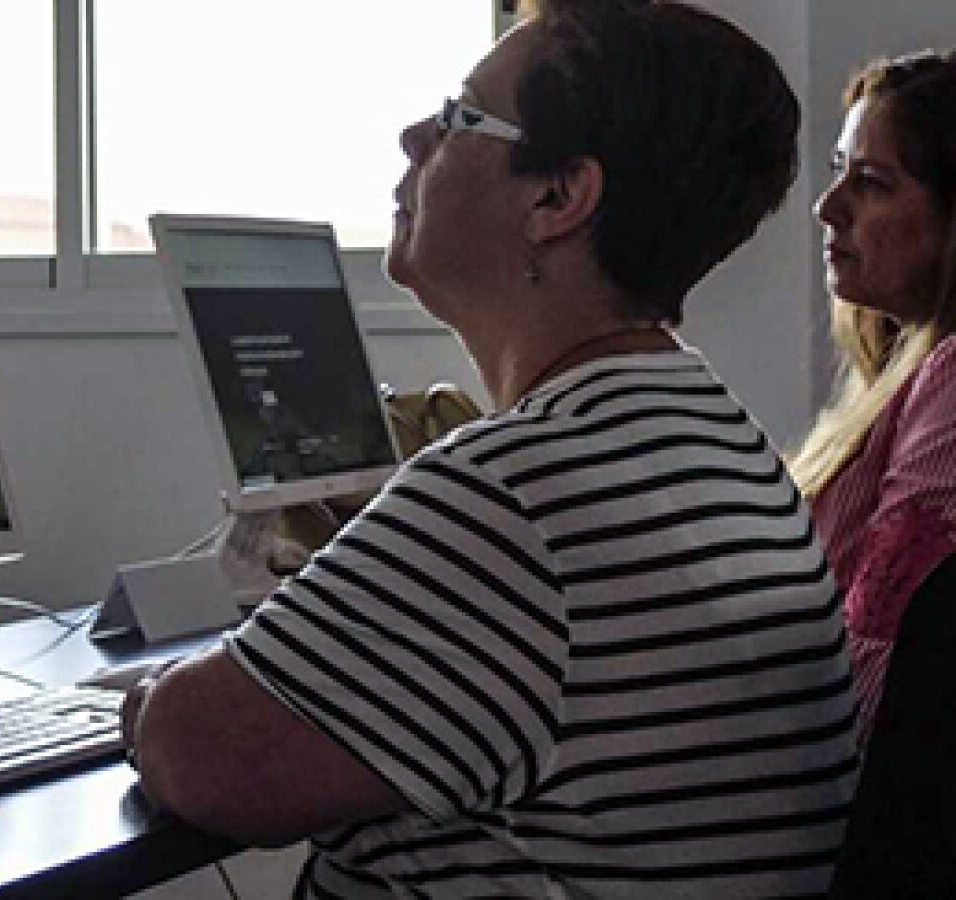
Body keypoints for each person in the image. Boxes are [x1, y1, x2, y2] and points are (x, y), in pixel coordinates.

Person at [119, 1, 859, 895]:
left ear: (557, 198)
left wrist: (147, 697)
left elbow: (198, 752)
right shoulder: (719, 448)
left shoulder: (521, 490)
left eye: (459, 117)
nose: (414, 137)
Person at [790, 50, 956, 741]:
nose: (828, 208)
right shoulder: (900, 367)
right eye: (839, 171)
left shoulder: (952, 378)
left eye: (872, 183)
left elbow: (880, 651)